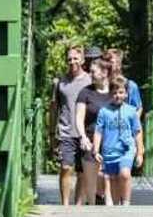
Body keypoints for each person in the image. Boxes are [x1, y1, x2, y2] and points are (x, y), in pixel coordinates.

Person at [47, 45, 99, 205]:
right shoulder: (59, 82)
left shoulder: (90, 80)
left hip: (85, 132)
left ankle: (77, 207)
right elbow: (54, 108)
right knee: (65, 167)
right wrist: (51, 133)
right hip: (65, 131)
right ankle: (65, 206)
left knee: (82, 172)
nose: (72, 62)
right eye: (69, 59)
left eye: (75, 58)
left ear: (82, 60)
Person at [91, 75, 145, 206]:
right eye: (114, 92)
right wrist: (95, 150)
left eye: (121, 92)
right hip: (109, 151)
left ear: (126, 94)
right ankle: (117, 207)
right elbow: (98, 132)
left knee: (125, 174)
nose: (117, 95)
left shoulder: (131, 111)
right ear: (110, 94)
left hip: (126, 149)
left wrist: (139, 152)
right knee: (113, 179)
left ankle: (126, 204)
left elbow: (137, 132)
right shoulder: (104, 111)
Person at [72, 57, 112, 205]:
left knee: (107, 178)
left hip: (110, 141)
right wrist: (82, 137)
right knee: (90, 183)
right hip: (89, 140)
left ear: (104, 72)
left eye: (93, 71)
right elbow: (78, 118)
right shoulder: (85, 92)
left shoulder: (115, 92)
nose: (90, 74)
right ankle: (93, 205)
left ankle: (108, 205)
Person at [104, 48, 143, 120]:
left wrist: (132, 126)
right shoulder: (101, 86)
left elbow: (138, 109)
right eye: (105, 62)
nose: (107, 65)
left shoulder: (130, 86)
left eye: (110, 62)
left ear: (119, 64)